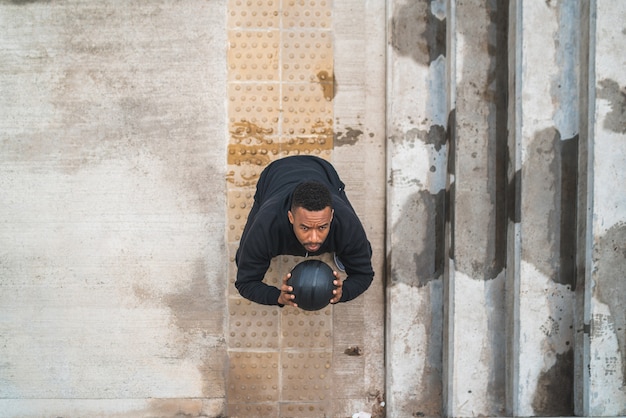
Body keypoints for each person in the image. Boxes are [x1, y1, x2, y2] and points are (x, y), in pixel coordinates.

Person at [235, 155, 374, 307]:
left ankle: (344, 253)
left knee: (362, 249)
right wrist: (278, 297)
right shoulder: (267, 225)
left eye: (322, 227)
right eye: (305, 228)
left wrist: (343, 293)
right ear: (290, 217)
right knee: (242, 257)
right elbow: (245, 283)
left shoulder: (346, 222)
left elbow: (364, 274)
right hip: (274, 176)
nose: (314, 238)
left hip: (323, 170)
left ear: (331, 216)